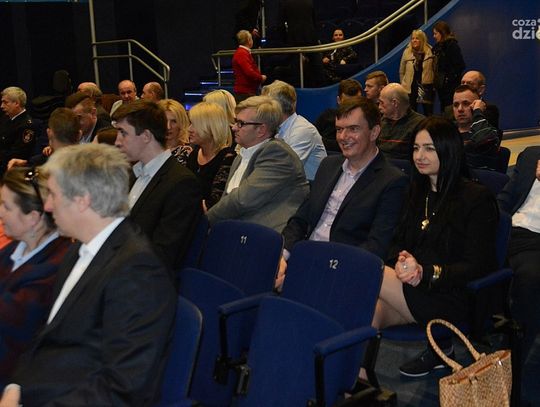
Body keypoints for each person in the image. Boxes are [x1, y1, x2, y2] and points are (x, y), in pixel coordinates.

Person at [3, 143, 176, 406]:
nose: (47, 205)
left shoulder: (139, 272)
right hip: (44, 387)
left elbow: (124, 385)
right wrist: (16, 385)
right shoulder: (79, 250)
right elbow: (46, 335)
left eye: (53, 195)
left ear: (82, 200)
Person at [371, 116, 498, 377]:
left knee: (369, 272)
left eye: (429, 148)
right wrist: (401, 260)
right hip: (411, 287)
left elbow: (478, 266)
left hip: (451, 293)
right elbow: (397, 241)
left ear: (448, 150)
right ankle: (358, 383)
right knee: (369, 313)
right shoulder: (416, 191)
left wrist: (425, 272)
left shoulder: (476, 198)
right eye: (416, 148)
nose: (420, 156)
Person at [281, 97, 408, 285]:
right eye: (339, 129)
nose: (342, 137)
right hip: (304, 257)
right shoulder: (328, 165)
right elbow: (301, 218)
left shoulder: (392, 181)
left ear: (374, 132)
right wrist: (283, 256)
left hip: (340, 269)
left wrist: (324, 268)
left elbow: (377, 246)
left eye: (353, 129)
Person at [0, 167, 72, 385]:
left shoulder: (57, 266)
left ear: (33, 218)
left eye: (6, 206)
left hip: (17, 381)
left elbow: (10, 322)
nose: (0, 213)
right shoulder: (13, 250)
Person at [113, 100, 202, 274]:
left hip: (145, 279)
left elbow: (164, 255)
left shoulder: (182, 184)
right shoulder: (133, 174)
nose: (117, 141)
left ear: (146, 136)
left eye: (123, 133)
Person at [206, 96, 309, 232]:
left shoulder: (277, 154)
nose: (234, 128)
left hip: (265, 234)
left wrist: (205, 220)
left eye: (241, 123)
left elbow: (242, 200)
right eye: (236, 122)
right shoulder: (242, 154)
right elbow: (228, 198)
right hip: (238, 229)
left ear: (261, 130)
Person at [497, 146, 540, 367]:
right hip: (511, 230)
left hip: (536, 242)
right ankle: (443, 344)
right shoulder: (531, 155)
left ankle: (510, 365)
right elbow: (505, 199)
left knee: (529, 280)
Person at [262, 80, 327, 181]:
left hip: (310, 188)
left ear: (277, 109)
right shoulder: (277, 128)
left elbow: (285, 171)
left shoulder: (303, 130)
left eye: (265, 107)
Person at [187, 102, 236, 209]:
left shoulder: (228, 158)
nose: (189, 129)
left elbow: (215, 201)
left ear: (210, 127)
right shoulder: (194, 154)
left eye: (194, 125)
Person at [8, 107, 81, 169]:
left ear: (48, 133)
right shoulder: (85, 165)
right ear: (79, 135)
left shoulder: (41, 169)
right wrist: (26, 165)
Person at [452, 84, 500, 170]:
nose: (460, 109)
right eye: (456, 105)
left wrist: (477, 111)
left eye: (466, 104)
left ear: (476, 105)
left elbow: (484, 140)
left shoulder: (488, 132)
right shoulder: (448, 131)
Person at [378, 83, 425, 160]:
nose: (379, 107)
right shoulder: (380, 121)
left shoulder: (420, 124)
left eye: (382, 103)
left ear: (395, 103)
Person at [315, 79, 363, 152]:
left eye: (355, 102)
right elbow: (313, 137)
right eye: (347, 102)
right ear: (338, 100)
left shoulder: (365, 120)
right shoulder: (327, 115)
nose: (351, 106)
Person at [0, 87, 36, 176]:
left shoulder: (27, 125)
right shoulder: (6, 118)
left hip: (12, 169)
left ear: (16, 103)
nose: (2, 106)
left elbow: (19, 153)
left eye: (5, 102)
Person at [432, 20, 465, 113]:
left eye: (435, 33)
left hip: (450, 87)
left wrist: (448, 79)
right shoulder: (437, 48)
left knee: (449, 109)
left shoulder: (452, 46)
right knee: (444, 109)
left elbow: (460, 65)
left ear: (442, 33)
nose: (434, 36)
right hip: (441, 86)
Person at [400, 29, 435, 116]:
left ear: (422, 40)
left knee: (428, 112)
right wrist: (403, 84)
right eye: (413, 38)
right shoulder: (407, 52)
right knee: (411, 112)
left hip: (426, 86)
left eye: (417, 38)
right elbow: (402, 71)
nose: (414, 40)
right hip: (410, 87)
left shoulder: (430, 51)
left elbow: (434, 69)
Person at [232, 30, 267, 103]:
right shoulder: (242, 53)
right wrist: (260, 78)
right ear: (249, 40)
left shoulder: (243, 52)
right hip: (245, 92)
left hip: (247, 91)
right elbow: (249, 72)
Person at [158, 99, 192, 165]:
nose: (168, 127)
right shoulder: (149, 150)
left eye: (174, 121)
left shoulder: (187, 152)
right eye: (164, 120)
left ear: (181, 123)